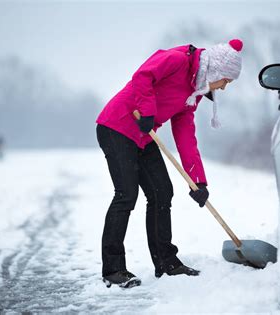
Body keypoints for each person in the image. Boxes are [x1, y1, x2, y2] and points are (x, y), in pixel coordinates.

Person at [96, 39, 244, 288]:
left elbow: (185, 136)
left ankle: (166, 263)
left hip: (143, 135)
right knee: (126, 195)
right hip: (117, 126)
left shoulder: (192, 94)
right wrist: (147, 110)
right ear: (216, 71)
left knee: (162, 192)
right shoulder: (177, 60)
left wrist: (198, 181)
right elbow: (143, 76)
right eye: (226, 81)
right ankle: (113, 269)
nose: (224, 87)